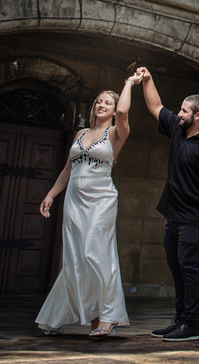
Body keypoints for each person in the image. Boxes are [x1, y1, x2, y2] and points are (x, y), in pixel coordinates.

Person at [34, 74, 138, 338]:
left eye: (107, 103)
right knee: (75, 257)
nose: (101, 105)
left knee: (96, 253)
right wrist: (51, 194)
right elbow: (69, 168)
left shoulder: (116, 133)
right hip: (74, 201)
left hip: (101, 199)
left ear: (114, 111)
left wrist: (129, 83)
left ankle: (109, 316)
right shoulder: (81, 133)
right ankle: (93, 319)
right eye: (98, 102)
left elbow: (125, 110)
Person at [136, 66, 199, 342]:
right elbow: (155, 106)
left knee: (190, 268)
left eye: (185, 111)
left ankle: (192, 324)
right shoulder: (177, 130)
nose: (179, 114)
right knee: (176, 269)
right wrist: (148, 79)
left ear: (197, 116)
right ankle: (179, 320)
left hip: (194, 218)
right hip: (172, 215)